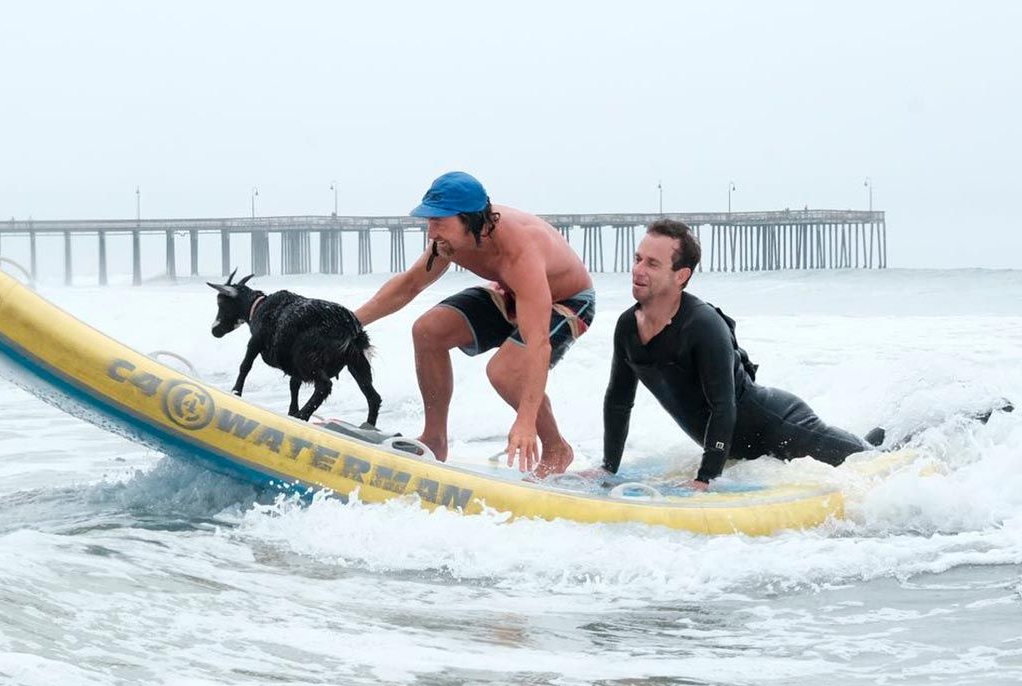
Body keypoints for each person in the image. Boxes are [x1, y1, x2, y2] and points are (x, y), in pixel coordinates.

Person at [601, 219, 878, 490]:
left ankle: (894, 442)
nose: (638, 269)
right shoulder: (627, 326)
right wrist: (608, 467)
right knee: (867, 455)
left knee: (872, 461)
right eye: (638, 259)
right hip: (740, 449)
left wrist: (706, 478)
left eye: (652, 263)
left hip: (785, 429)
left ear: (680, 275)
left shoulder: (703, 325)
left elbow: (723, 406)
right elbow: (619, 401)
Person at [354, 171, 594, 475]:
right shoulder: (452, 241)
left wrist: (525, 419)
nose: (431, 233)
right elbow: (409, 285)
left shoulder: (519, 251)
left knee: (503, 372)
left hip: (568, 300)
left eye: (439, 222)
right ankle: (434, 440)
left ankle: (557, 447)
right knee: (428, 331)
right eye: (429, 221)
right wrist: (349, 322)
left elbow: (538, 343)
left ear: (470, 219)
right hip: (509, 291)